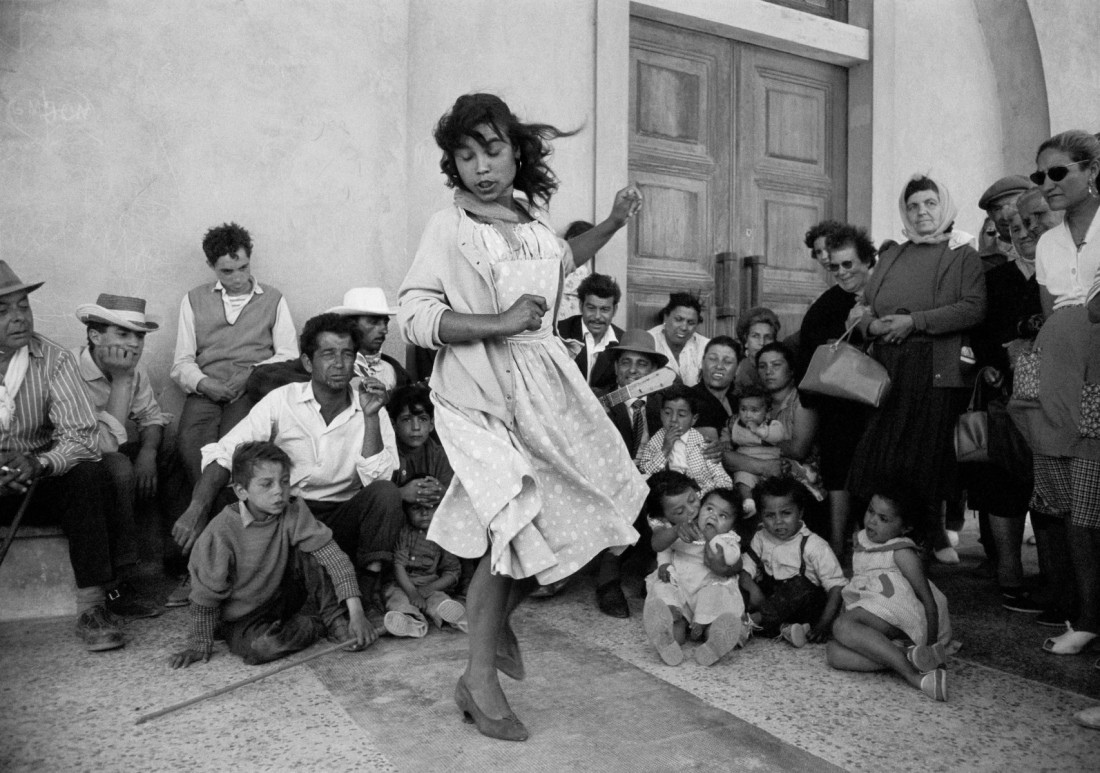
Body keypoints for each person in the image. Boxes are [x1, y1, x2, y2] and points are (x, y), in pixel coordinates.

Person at [398, 93, 653, 742]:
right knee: (510, 522)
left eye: (491, 149)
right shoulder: (449, 227)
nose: (480, 166)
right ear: (452, 163)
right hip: (479, 392)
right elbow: (417, 316)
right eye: (465, 154)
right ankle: (478, 679)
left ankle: (493, 624)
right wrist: (498, 322)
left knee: (570, 514)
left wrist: (615, 223)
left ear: (516, 150)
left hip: (545, 385)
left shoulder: (530, 219)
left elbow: (565, 260)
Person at [172, 313, 404, 626]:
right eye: (328, 354)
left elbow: (379, 479)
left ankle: (366, 588)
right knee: (228, 499)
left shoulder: (369, 403)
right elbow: (227, 454)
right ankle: (234, 594)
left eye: (347, 354)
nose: (339, 363)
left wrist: (372, 417)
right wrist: (195, 509)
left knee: (386, 494)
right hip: (289, 516)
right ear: (308, 363)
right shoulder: (282, 401)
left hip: (344, 514)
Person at [848, 174, 986, 564]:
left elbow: (974, 307)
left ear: (943, 206)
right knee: (882, 453)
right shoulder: (894, 254)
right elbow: (864, 308)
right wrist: (872, 326)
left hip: (936, 368)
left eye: (929, 203)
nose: (921, 212)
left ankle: (932, 531)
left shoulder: (963, 254)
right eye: (913, 206)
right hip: (888, 368)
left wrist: (915, 322)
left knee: (927, 456)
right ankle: (880, 532)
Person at [0, 263, 132, 651]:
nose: (18, 317)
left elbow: (81, 436)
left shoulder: (53, 360)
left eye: (23, 306)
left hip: (36, 483)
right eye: (3, 310)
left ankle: (93, 607)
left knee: (88, 473)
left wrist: (40, 463)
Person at [169, 442, 370, 669]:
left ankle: (334, 618)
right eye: (266, 484)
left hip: (281, 597)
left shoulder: (292, 512)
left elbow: (335, 559)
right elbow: (205, 595)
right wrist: (200, 642)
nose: (279, 491)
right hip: (243, 618)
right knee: (262, 648)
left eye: (284, 482)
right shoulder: (221, 531)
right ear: (241, 490)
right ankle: (314, 625)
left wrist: (357, 614)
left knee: (316, 548)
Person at [1025, 130, 1100, 660]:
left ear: (1091, 170)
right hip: (1059, 369)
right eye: (1041, 176)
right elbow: (1054, 312)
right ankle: (1088, 615)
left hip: (1099, 367)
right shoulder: (1048, 243)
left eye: (1059, 173)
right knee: (1073, 506)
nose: (1048, 185)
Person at [172, 222, 299, 492]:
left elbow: (289, 355)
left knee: (238, 452)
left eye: (243, 268)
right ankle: (210, 514)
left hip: (250, 392)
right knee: (190, 446)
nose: (238, 278)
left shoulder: (273, 299)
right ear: (211, 266)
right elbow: (182, 362)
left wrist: (252, 373)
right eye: (227, 272)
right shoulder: (194, 299)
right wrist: (205, 384)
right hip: (206, 391)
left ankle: (228, 513)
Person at [967, 198, 1048, 614]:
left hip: (1056, 391)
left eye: (1028, 226)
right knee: (1004, 480)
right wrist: (991, 365)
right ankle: (1010, 572)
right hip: (1006, 394)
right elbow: (979, 332)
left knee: (1052, 481)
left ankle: (1054, 576)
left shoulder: (1058, 270)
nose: (1023, 235)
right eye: (1014, 230)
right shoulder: (997, 279)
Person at [74, 293, 171, 618]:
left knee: (170, 452)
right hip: (76, 462)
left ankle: (180, 562)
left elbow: (151, 418)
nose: (134, 344)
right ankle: (119, 581)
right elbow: (93, 446)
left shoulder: (136, 371)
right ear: (94, 335)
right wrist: (120, 378)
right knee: (117, 467)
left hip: (112, 451)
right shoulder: (69, 369)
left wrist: (146, 452)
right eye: (123, 333)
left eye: (139, 336)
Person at [826, 485, 953, 702]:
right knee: (834, 653)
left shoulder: (902, 552)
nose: (872, 521)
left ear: (905, 528)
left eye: (884, 519)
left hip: (904, 617)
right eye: (870, 511)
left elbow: (928, 602)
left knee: (841, 626)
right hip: (882, 615)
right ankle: (902, 656)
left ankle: (914, 676)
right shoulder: (865, 539)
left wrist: (930, 648)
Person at [796, 224, 877, 557]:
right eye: (823, 257)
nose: (830, 261)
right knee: (839, 464)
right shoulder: (828, 303)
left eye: (842, 259)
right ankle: (838, 543)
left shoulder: (885, 287)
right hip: (842, 399)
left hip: (883, 396)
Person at [588, 328, 670, 617]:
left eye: (642, 364)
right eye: (626, 362)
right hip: (613, 479)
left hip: (654, 477)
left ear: (654, 372)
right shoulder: (600, 402)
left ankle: (657, 573)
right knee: (623, 494)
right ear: (615, 367)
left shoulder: (665, 406)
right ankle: (608, 581)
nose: (632, 370)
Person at [643, 485, 746, 666]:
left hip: (709, 587)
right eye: (709, 509)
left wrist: (713, 538)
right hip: (681, 585)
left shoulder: (728, 539)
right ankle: (667, 639)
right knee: (667, 592)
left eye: (723, 516)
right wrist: (665, 564)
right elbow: (666, 548)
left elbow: (732, 558)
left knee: (715, 609)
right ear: (701, 509)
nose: (713, 516)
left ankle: (714, 643)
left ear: (732, 525)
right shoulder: (686, 528)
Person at [724, 342, 824, 527]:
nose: (768, 371)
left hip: (796, 475)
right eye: (763, 366)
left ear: (791, 370)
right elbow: (730, 445)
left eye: (776, 365)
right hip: (762, 467)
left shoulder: (802, 402)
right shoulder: (755, 403)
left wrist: (755, 444)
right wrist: (762, 464)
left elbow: (798, 450)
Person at [740, 477, 845, 648]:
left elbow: (837, 587)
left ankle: (749, 623)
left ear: (800, 512)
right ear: (761, 516)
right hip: (773, 606)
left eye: (786, 513)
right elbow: (745, 570)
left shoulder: (814, 545)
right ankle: (785, 630)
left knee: (800, 585)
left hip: (806, 608)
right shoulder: (761, 536)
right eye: (769, 515)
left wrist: (824, 625)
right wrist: (753, 589)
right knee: (742, 585)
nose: (778, 521)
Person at [382, 474, 467, 638]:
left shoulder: (442, 532)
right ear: (406, 510)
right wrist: (413, 593)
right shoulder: (404, 532)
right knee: (397, 599)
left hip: (430, 584)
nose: (424, 513)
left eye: (430, 506)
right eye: (416, 508)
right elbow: (398, 566)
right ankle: (411, 621)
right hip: (402, 585)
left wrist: (429, 589)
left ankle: (451, 617)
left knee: (440, 599)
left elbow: (452, 572)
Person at [635, 383, 732, 493]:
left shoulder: (703, 445)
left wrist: (702, 495)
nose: (673, 419)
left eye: (681, 415)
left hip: (700, 496)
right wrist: (665, 450)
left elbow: (724, 480)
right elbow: (645, 473)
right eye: (667, 413)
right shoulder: (655, 442)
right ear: (661, 414)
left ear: (694, 419)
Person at [326, 287, 410, 395]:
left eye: (385, 322)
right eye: (373, 322)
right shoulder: (328, 370)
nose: (384, 330)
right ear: (350, 325)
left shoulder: (394, 370)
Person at [557, 272, 624, 393]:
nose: (597, 316)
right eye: (591, 308)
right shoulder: (559, 333)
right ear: (581, 305)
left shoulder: (624, 341)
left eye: (604, 309)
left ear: (614, 310)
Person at [727, 385, 785, 519]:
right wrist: (726, 442)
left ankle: (773, 511)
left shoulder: (773, 425)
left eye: (754, 410)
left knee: (775, 488)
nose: (748, 415)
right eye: (743, 409)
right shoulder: (735, 425)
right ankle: (748, 502)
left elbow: (777, 436)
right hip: (745, 464)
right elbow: (729, 441)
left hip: (770, 463)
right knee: (742, 479)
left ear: (767, 412)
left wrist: (759, 431)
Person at [387, 384, 453, 500]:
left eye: (422, 419)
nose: (416, 427)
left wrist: (443, 494)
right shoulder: (385, 454)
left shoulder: (441, 456)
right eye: (407, 419)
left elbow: (453, 498)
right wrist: (400, 493)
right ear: (393, 425)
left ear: (432, 424)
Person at [648, 292, 709, 387]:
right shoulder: (649, 341)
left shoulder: (705, 346)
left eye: (691, 322)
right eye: (678, 319)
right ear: (665, 317)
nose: (684, 327)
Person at [977, 175, 1033, 273]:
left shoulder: (1050, 250)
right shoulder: (980, 263)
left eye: (1013, 205)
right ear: (990, 214)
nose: (1005, 216)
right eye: (997, 209)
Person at [690, 335, 739, 440]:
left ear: (737, 368)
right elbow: (712, 451)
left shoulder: (737, 401)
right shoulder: (691, 400)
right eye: (713, 359)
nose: (719, 366)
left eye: (727, 362)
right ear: (703, 362)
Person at [733, 306, 779, 392]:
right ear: (746, 341)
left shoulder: (781, 371)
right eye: (755, 336)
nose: (762, 342)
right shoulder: (739, 372)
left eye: (768, 337)